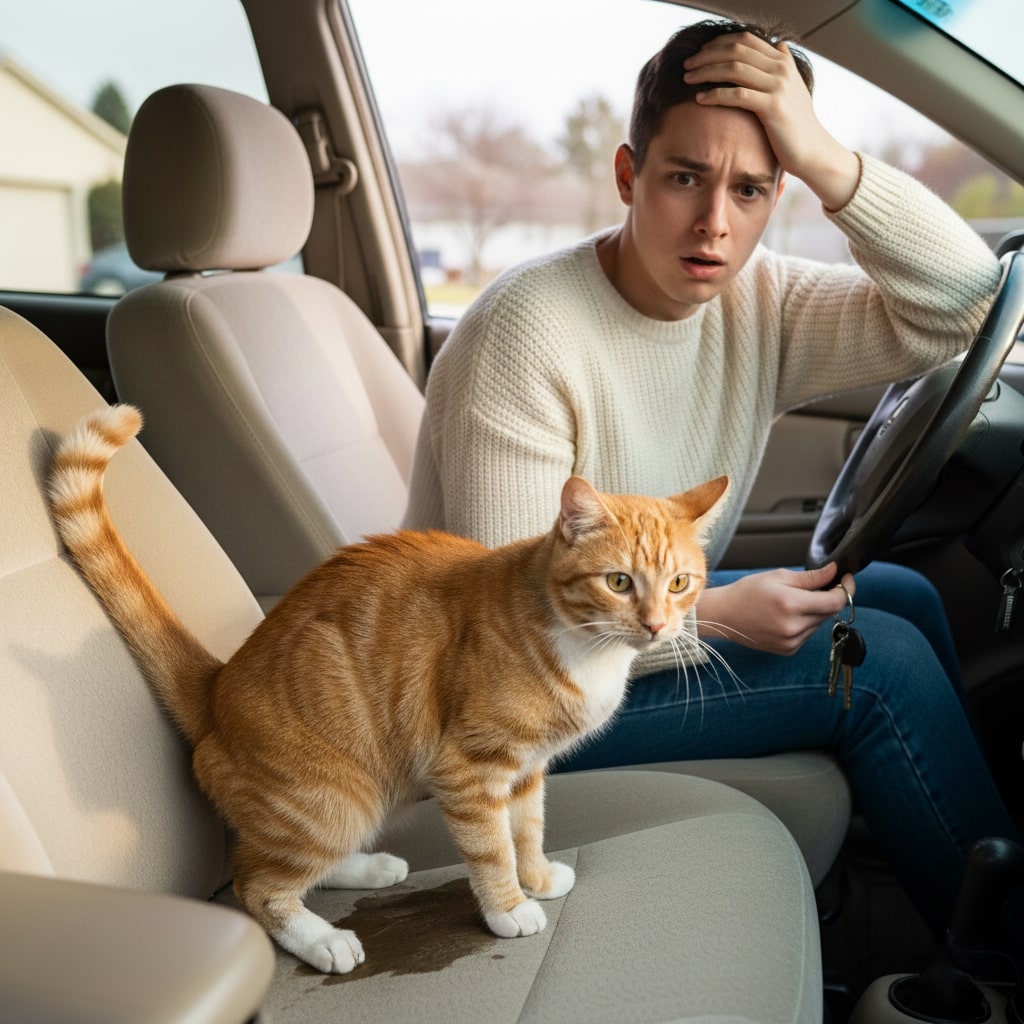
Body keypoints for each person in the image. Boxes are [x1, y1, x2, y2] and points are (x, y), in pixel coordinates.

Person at [403, 17, 1020, 934]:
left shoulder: (759, 300)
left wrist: (826, 158)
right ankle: (1002, 946)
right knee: (878, 668)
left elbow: (968, 308)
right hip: (497, 701)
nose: (715, 224)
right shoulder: (523, 333)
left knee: (900, 594)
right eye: (685, 178)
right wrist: (720, 615)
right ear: (629, 176)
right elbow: (517, 624)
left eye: (751, 188)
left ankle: (925, 844)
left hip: (616, 630)